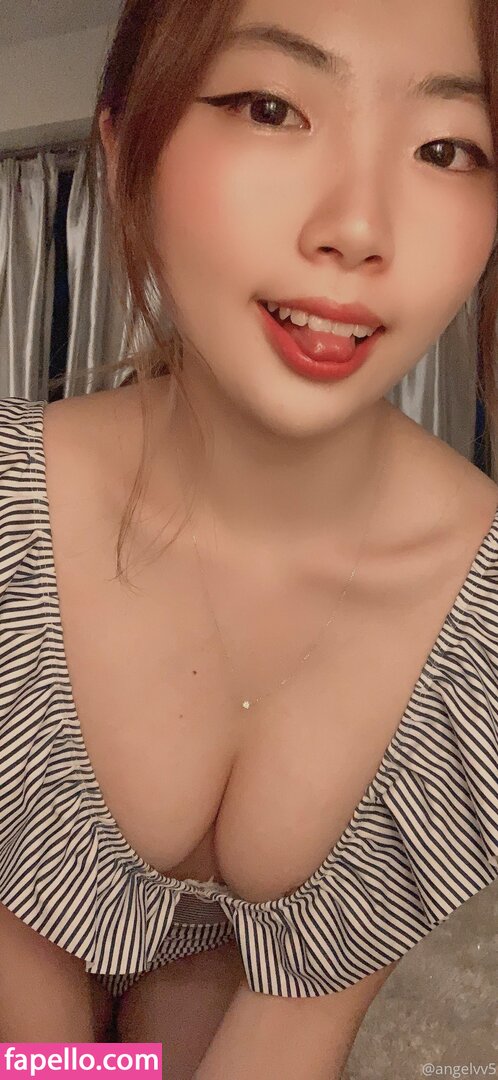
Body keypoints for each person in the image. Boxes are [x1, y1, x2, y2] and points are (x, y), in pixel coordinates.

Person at [0, 0, 497, 1076]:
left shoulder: (483, 625)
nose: (357, 228)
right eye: (271, 107)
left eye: (447, 148)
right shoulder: (14, 518)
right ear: (124, 148)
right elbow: (32, 1043)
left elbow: (294, 1025)